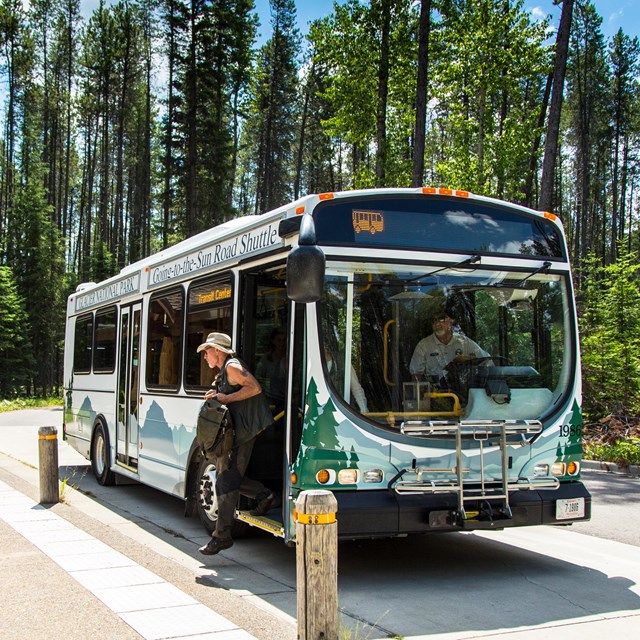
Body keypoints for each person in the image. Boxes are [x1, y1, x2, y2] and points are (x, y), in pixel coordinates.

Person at [196, 332, 275, 556]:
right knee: (226, 480)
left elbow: (254, 387)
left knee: (227, 481)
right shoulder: (225, 370)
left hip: (246, 432)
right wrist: (218, 394)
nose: (205, 357)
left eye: (207, 351)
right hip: (239, 432)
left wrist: (224, 398)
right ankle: (264, 495)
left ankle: (221, 537)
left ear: (218, 351)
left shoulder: (232, 366)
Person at [409, 310, 490, 386]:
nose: (437, 324)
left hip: (461, 392)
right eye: (433, 321)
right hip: (436, 394)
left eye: (441, 319)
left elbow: (486, 360)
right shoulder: (424, 345)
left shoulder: (463, 341)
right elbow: (416, 375)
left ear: (451, 321)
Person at [325, 347, 369, 413]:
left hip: (344, 413)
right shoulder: (313, 365)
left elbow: (356, 388)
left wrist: (363, 410)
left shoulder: (342, 361)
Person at [255, 327, 287, 410]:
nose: (282, 343)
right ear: (273, 341)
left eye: (284, 340)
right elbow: (258, 378)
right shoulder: (266, 359)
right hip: (271, 400)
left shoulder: (291, 359)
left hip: (288, 399)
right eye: (279, 340)